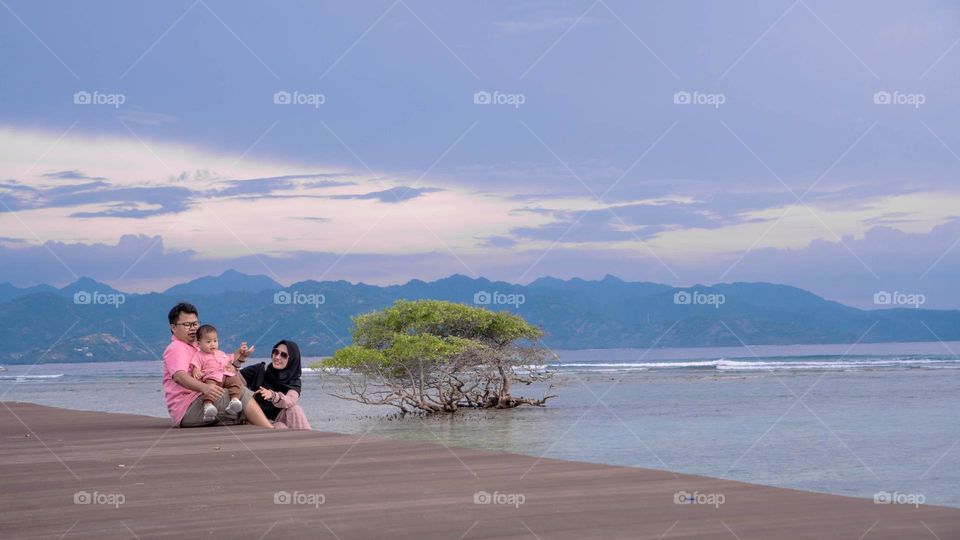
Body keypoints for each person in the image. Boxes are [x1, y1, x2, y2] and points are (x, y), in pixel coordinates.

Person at [161, 302, 272, 428]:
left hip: (200, 402)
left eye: (195, 324)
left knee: (237, 401)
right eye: (187, 324)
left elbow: (220, 364)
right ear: (173, 327)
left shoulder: (197, 347)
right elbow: (179, 376)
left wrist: (240, 357)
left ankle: (266, 425)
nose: (193, 328)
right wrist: (204, 388)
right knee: (241, 393)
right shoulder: (177, 348)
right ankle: (271, 430)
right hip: (188, 407)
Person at [240, 340, 311, 430]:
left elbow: (289, 401)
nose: (277, 357)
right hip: (256, 419)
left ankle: (308, 439)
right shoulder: (259, 370)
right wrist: (240, 358)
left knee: (295, 410)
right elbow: (234, 378)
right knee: (280, 427)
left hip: (278, 419)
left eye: (283, 355)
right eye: (275, 352)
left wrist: (273, 396)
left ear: (292, 359)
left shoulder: (294, 381)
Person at [191, 324, 250, 421]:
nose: (212, 344)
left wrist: (240, 351)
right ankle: (208, 405)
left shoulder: (221, 353)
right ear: (199, 343)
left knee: (236, 381)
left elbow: (232, 357)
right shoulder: (199, 355)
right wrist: (196, 371)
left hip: (225, 376)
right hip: (212, 377)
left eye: (215, 341)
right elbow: (195, 365)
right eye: (208, 342)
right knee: (209, 388)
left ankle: (234, 400)